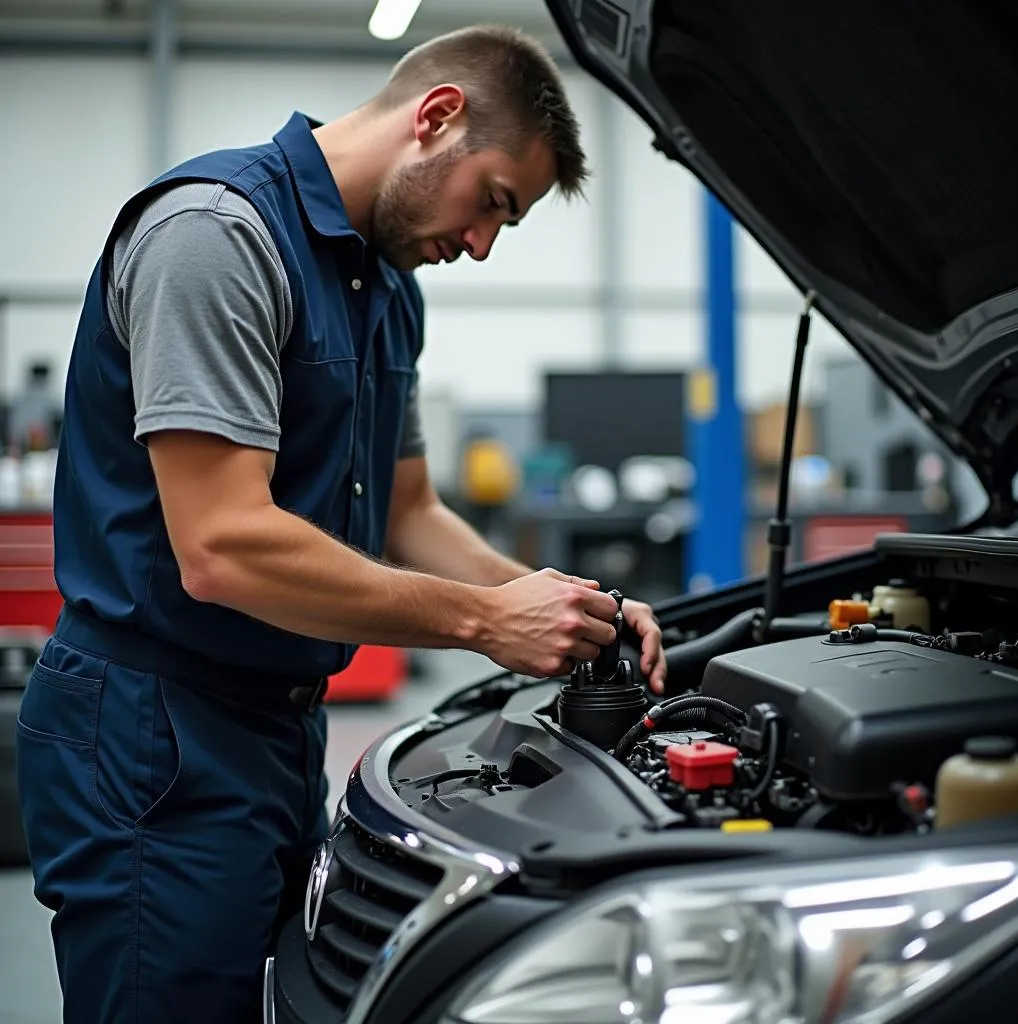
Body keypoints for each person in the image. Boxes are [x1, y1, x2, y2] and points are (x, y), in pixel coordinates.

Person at [16, 24, 667, 1024]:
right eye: (492, 201)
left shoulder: (388, 289)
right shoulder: (217, 236)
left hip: (276, 723)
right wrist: (486, 623)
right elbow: (223, 545)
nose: (484, 245)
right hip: (150, 728)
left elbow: (409, 512)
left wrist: (571, 608)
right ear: (437, 117)